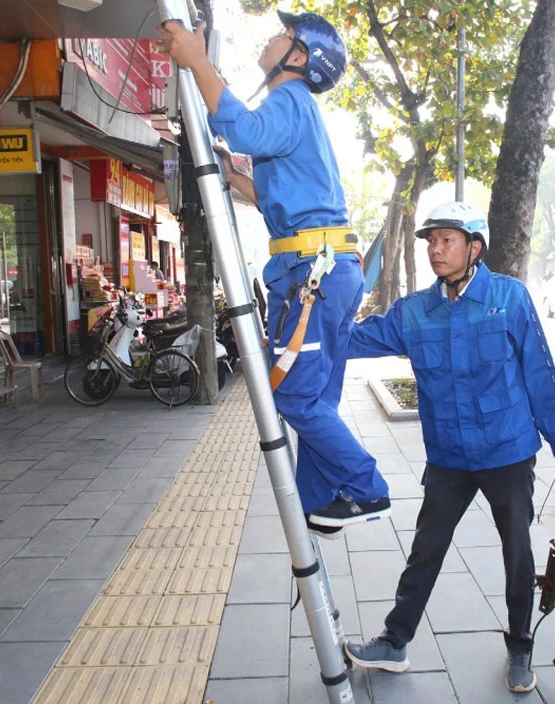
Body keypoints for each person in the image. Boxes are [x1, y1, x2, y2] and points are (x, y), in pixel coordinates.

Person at [160, 11, 389, 533]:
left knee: (292, 395)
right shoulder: (299, 112)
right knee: (317, 398)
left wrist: (196, 61)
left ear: (300, 57)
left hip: (313, 274)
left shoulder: (289, 100)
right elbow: (273, 195)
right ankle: (322, 500)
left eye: (284, 35)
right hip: (323, 268)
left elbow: (245, 129)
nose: (273, 37)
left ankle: (366, 488)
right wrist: (232, 174)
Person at [342, 202, 555, 693]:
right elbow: (353, 341)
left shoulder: (509, 299)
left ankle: (520, 648)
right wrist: (307, 324)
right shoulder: (415, 312)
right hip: (450, 457)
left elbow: (540, 372)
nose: (435, 249)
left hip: (507, 453)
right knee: (425, 548)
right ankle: (395, 641)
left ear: (474, 247)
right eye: (431, 241)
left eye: (446, 240)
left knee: (516, 553)